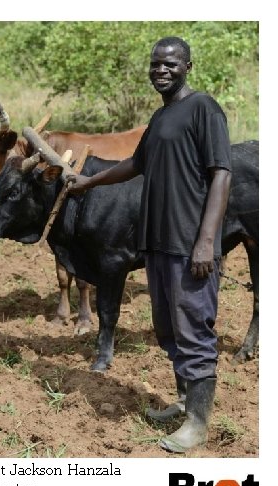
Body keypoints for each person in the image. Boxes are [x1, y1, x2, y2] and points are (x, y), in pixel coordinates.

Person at [67, 37, 232, 453]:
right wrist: (90, 180)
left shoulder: (203, 109)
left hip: (189, 243)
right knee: (168, 328)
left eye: (170, 64)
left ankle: (198, 423)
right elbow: (135, 164)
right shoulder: (161, 118)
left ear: (188, 66)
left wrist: (206, 242)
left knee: (194, 328)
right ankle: (182, 401)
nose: (161, 69)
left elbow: (222, 175)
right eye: (156, 63)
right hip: (156, 244)